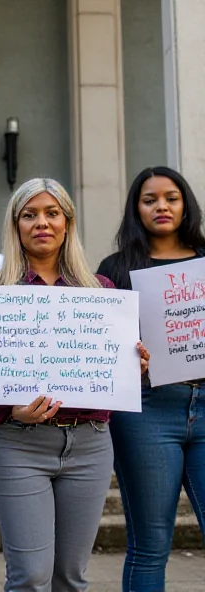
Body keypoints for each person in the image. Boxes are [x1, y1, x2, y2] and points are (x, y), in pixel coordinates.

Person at [0, 178, 150, 591]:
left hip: (90, 445)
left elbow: (113, 376)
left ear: (67, 223)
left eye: (52, 213)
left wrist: (133, 367)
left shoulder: (101, 291)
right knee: (30, 577)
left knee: (71, 578)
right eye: (30, 214)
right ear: (16, 225)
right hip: (18, 443)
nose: (42, 223)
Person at [96, 166, 205, 591]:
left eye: (171, 198)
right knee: (151, 542)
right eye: (149, 199)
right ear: (135, 208)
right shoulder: (115, 269)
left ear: (185, 205)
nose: (161, 206)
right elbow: (100, 344)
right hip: (147, 412)